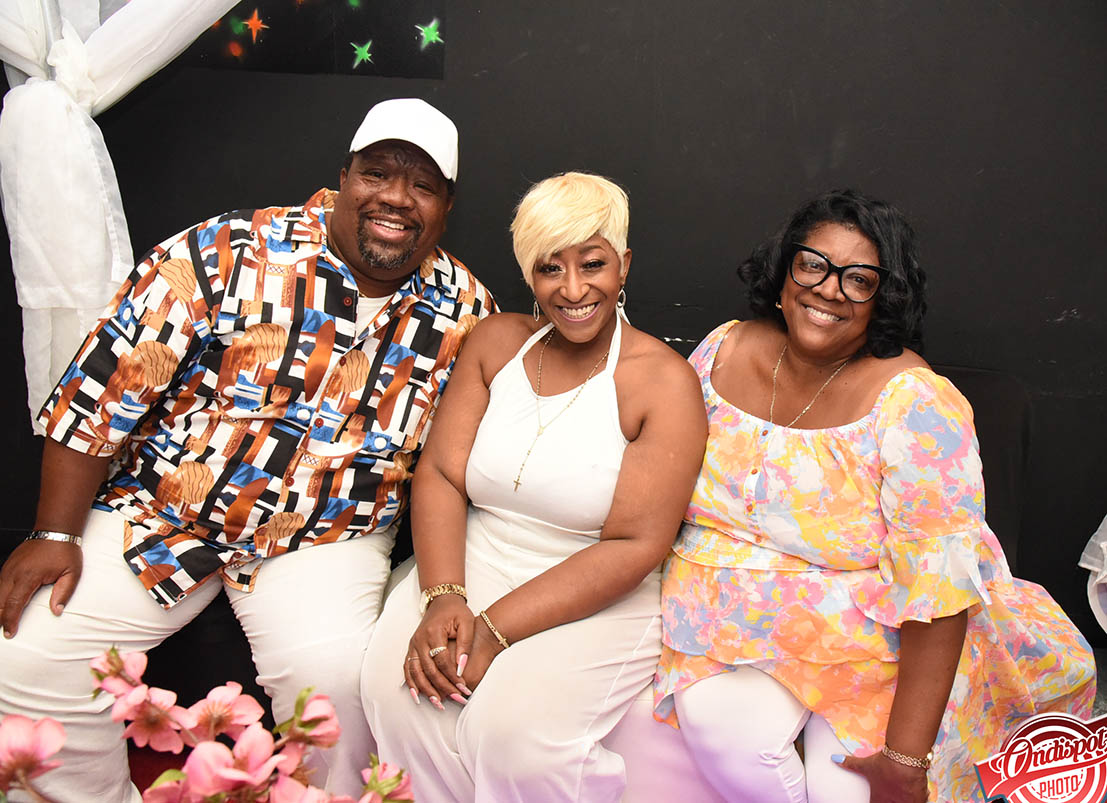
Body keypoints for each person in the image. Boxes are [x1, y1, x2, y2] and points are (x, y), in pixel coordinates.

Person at [0, 98, 496, 801]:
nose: (396, 197)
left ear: (446, 208)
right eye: (377, 173)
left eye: (422, 185)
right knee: (26, 659)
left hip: (323, 538)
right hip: (165, 512)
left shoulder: (467, 310)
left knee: (341, 688)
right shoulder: (227, 249)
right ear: (344, 177)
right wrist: (54, 532)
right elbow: (102, 388)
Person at [652, 189, 1096, 803]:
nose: (829, 290)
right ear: (784, 271)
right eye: (812, 265)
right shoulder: (722, 350)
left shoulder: (916, 403)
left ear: (883, 298)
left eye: (858, 279)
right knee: (725, 739)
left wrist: (906, 759)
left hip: (879, 644)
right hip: (726, 624)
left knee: (848, 793)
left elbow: (938, 592)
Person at [360, 171, 707, 802]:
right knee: (398, 693)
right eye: (551, 268)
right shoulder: (497, 342)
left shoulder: (663, 382)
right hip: (476, 559)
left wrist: (493, 630)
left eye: (593, 264)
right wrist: (443, 597)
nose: (573, 290)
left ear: (624, 265)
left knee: (511, 735)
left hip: (599, 588)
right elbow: (441, 475)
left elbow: (635, 544)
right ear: (529, 275)